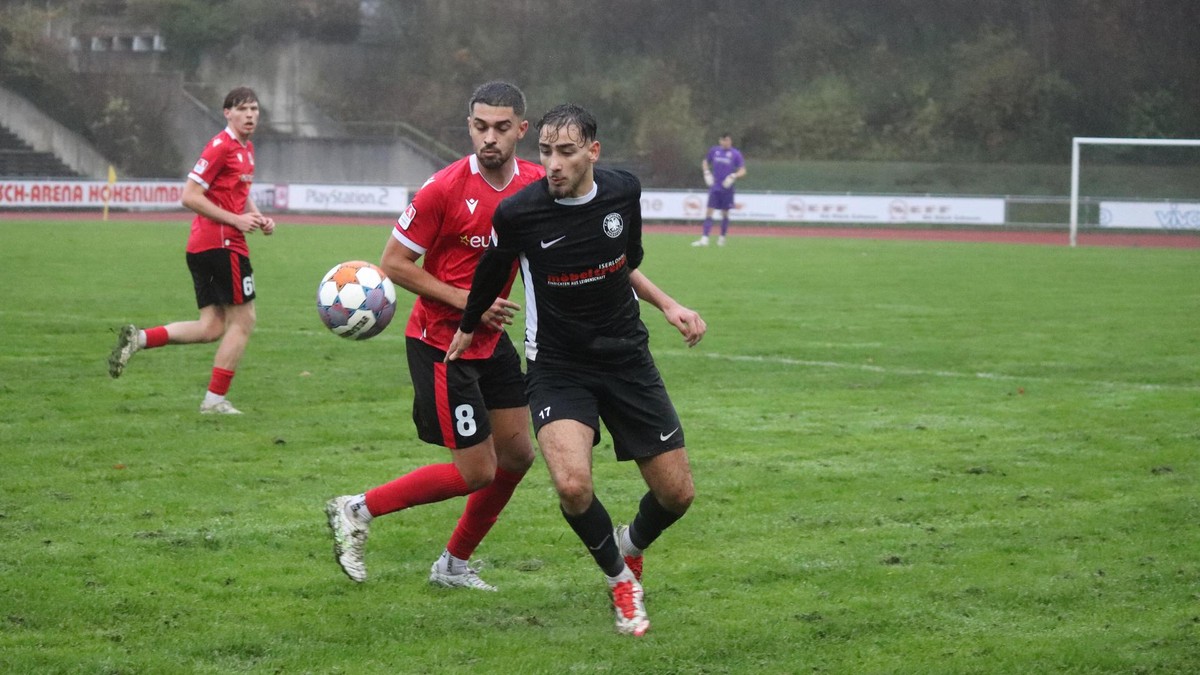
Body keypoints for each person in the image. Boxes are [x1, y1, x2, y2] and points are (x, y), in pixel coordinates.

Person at [446, 103, 707, 636]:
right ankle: (620, 582)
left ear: (593, 151)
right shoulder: (519, 213)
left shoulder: (622, 192)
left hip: (627, 358)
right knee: (571, 485)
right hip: (558, 365)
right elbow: (489, 275)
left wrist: (670, 305)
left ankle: (629, 546)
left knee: (677, 495)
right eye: (544, 152)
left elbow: (625, 260)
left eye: (565, 152)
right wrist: (469, 326)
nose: (553, 164)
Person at [324, 81, 543, 591]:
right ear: (469, 126)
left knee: (518, 456)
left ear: (521, 131)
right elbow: (394, 264)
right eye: (480, 126)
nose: (489, 137)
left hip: (492, 341)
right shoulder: (442, 188)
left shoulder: (534, 183)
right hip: (442, 344)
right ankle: (357, 508)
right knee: (476, 472)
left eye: (502, 128)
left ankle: (452, 565)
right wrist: (472, 302)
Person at [107, 86, 275, 415]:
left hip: (206, 244)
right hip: (222, 244)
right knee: (244, 320)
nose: (251, 115)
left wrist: (257, 217)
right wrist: (235, 221)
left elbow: (238, 193)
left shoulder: (246, 148)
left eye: (254, 109)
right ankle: (214, 402)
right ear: (227, 113)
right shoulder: (220, 147)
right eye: (243, 109)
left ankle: (138, 339)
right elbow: (190, 196)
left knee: (211, 327)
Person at [692, 133, 746, 247]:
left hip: (727, 188)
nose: (726, 142)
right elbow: (705, 162)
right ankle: (705, 238)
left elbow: (743, 170)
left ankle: (722, 238)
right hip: (715, 187)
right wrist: (706, 173)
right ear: (720, 141)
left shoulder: (735, 154)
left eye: (728, 140)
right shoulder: (714, 151)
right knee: (709, 211)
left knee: (725, 213)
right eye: (724, 140)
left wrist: (733, 176)